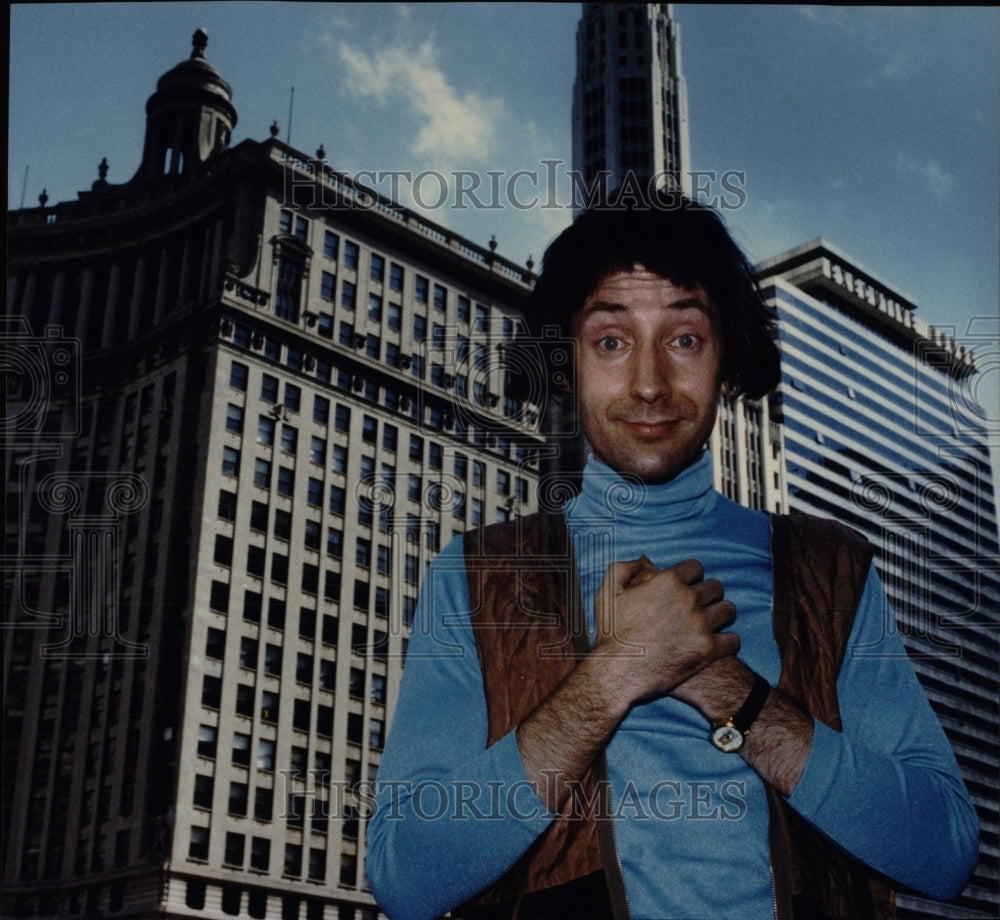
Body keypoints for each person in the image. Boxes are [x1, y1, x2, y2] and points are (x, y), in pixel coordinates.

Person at [365, 193, 979, 920]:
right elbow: (406, 876)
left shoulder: (830, 569)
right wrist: (612, 678)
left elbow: (944, 853)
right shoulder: (477, 576)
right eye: (612, 343)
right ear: (566, 366)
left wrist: (724, 687)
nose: (650, 383)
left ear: (726, 362)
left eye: (684, 339)